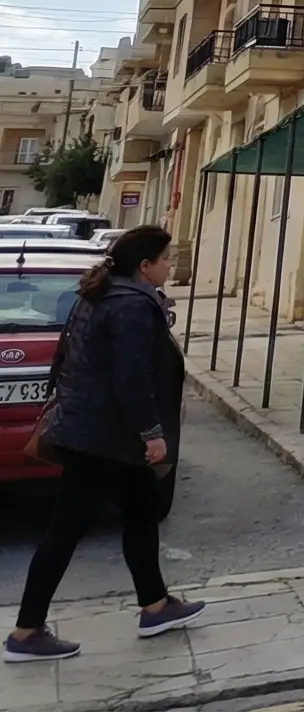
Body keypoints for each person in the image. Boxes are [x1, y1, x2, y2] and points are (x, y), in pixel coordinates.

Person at [6, 226, 203, 661]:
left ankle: (155, 606)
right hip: (103, 437)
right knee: (66, 530)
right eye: (166, 258)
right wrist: (151, 434)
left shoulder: (98, 294)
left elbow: (66, 357)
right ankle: (26, 631)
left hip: (92, 430)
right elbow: (131, 376)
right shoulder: (131, 305)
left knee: (142, 510)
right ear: (145, 266)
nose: (170, 265)